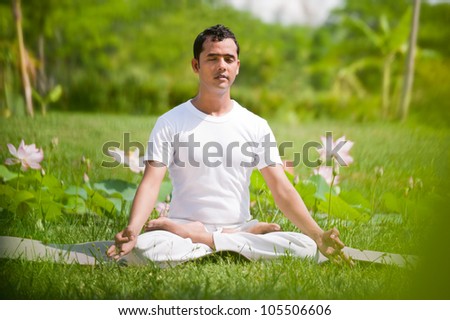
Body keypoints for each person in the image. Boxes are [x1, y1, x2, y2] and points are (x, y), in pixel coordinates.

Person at [107, 25, 349, 266]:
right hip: (180, 227)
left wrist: (317, 235)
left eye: (228, 59)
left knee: (304, 247)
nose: (221, 65)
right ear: (196, 66)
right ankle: (229, 241)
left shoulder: (255, 125)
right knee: (144, 249)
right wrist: (133, 230)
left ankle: (207, 239)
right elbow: (150, 184)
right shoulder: (170, 122)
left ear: (237, 67)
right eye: (212, 58)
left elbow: (282, 189)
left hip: (237, 227)